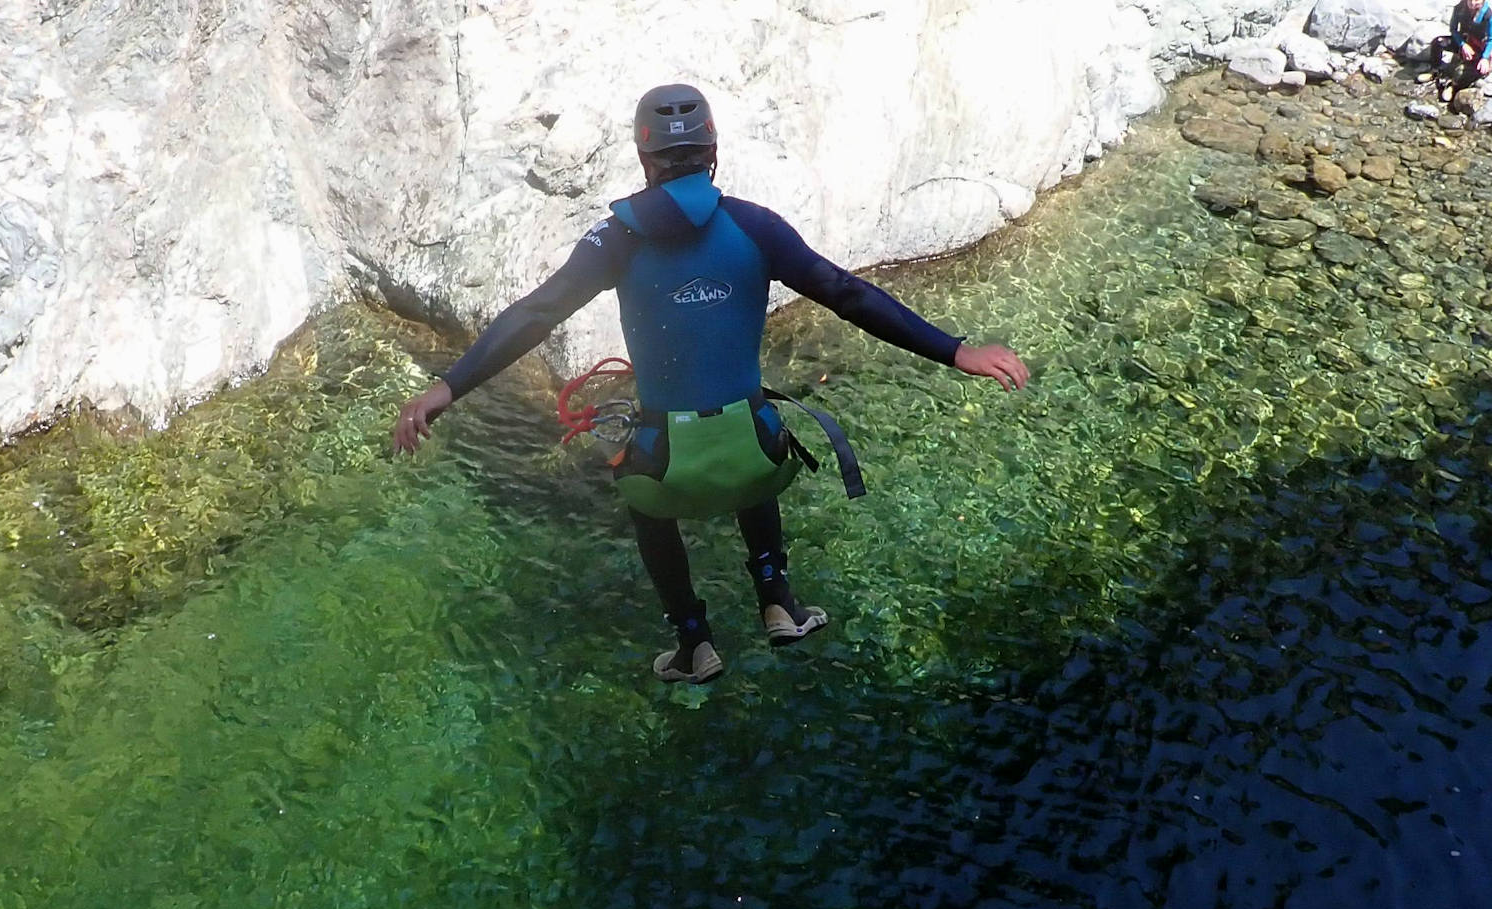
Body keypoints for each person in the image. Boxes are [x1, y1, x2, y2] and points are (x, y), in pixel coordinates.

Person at [393, 83, 1030, 683]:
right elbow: (848, 294)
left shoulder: (614, 239)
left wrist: (447, 387)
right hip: (754, 460)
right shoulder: (757, 226)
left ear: (645, 159)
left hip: (667, 472)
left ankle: (693, 642)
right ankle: (777, 600)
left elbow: (535, 314)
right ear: (713, 153)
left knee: (639, 466)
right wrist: (956, 351)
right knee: (751, 423)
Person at [1431, 0, 1492, 106]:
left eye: (1477, 0)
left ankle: (1454, 86)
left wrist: (1484, 58)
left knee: (1478, 70)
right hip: (1463, 41)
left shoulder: (1489, 16)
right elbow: (1453, 29)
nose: (1473, 2)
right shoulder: (1460, 8)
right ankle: (1435, 71)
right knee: (1438, 42)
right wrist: (1462, 44)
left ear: (1483, 1)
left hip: (1479, 46)